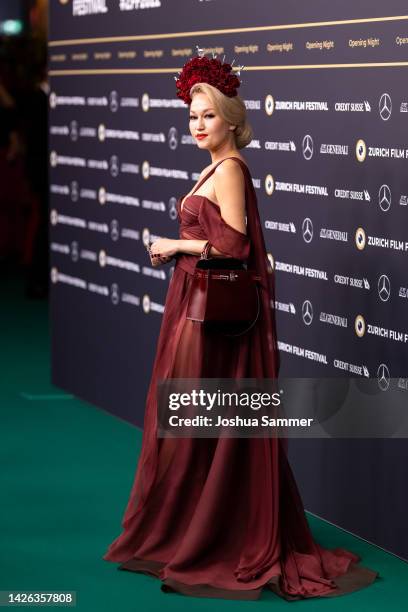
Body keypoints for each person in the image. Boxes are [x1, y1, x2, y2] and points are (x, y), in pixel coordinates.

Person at [103, 49, 379, 600]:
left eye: (207, 115)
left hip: (210, 314)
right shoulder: (214, 167)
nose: (198, 126)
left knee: (192, 421)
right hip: (193, 303)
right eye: (191, 117)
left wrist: (172, 244)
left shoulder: (230, 170)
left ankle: (208, 536)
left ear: (231, 117)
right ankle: (189, 528)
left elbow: (235, 247)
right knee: (190, 421)